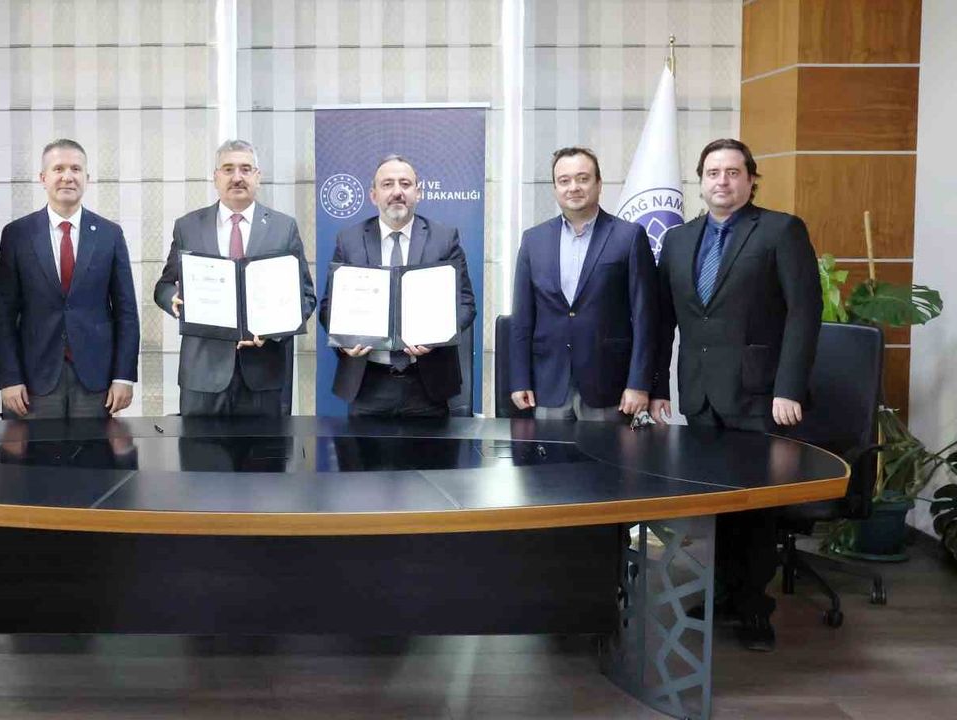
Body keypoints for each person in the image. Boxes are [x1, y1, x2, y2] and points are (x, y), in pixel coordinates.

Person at [650, 138, 822, 652]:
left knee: (755, 507)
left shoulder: (780, 230)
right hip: (700, 394)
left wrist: (788, 387)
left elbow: (804, 313)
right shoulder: (679, 240)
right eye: (712, 173)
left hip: (759, 394)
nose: (721, 181)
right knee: (716, 503)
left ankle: (754, 608)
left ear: (750, 179)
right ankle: (723, 591)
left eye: (732, 172)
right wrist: (657, 387)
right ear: (700, 181)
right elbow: (662, 321)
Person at [154, 139, 316, 417]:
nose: (237, 177)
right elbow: (164, 286)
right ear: (216, 177)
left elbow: (306, 296)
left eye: (245, 169)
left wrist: (273, 330)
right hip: (202, 373)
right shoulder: (188, 226)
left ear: (258, 176)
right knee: (200, 446)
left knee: (265, 447)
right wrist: (173, 299)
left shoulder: (283, 227)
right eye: (228, 169)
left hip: (264, 374)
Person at [319, 154, 476, 417]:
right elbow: (328, 307)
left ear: (418, 193)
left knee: (430, 447)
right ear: (373, 195)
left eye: (405, 183)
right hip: (367, 382)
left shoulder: (444, 238)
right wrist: (343, 340)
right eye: (387, 184)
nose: (397, 192)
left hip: (428, 382)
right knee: (362, 447)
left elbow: (466, 304)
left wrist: (439, 335)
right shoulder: (349, 240)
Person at [0, 138, 139, 419]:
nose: (67, 176)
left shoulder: (109, 234)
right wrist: (9, 377)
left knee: (95, 448)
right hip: (33, 381)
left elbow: (126, 311)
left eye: (76, 169)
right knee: (32, 450)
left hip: (96, 379)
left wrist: (124, 376)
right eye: (58, 168)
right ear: (43, 178)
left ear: (87, 178)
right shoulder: (17, 235)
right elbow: (3, 313)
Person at [508, 147, 657, 421]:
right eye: (564, 180)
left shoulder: (629, 237)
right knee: (548, 452)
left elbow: (645, 317)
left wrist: (639, 383)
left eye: (583, 178)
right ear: (555, 188)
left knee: (607, 452)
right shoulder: (533, 240)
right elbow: (522, 318)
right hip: (548, 385)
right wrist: (519, 379)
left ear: (599, 184)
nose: (573, 187)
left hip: (609, 385)